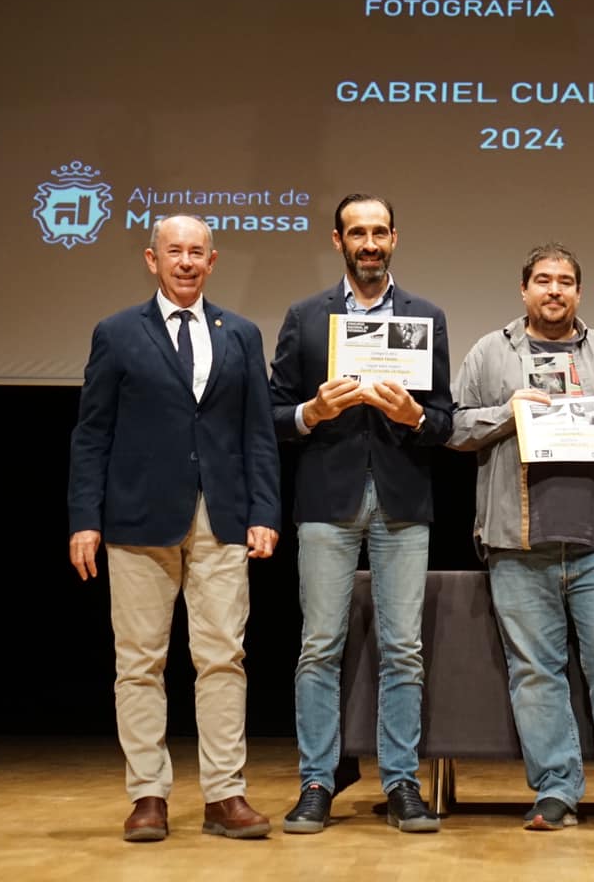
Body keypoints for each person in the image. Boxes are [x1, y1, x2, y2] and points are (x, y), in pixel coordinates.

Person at [67, 215, 281, 843]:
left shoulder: (241, 333)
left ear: (212, 262)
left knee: (223, 658)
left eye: (196, 252)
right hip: (136, 518)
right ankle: (148, 796)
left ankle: (225, 795)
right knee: (138, 662)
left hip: (222, 516)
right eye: (174, 251)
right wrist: (84, 519)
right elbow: (92, 434)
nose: (185, 262)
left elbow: (258, 434)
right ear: (151, 259)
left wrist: (264, 512)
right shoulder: (116, 333)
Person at [448, 243, 594, 834]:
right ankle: (556, 790)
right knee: (534, 672)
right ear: (524, 290)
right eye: (543, 280)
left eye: (565, 281)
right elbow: (453, 427)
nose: (554, 290)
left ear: (578, 291)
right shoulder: (490, 352)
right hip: (518, 541)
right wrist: (508, 411)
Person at [269, 194, 452, 834]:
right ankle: (317, 781)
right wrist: (312, 412)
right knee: (319, 646)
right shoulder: (305, 317)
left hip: (402, 500)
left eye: (378, 232)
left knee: (403, 649)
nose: (368, 243)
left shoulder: (426, 317)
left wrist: (416, 416)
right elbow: (273, 414)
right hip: (327, 500)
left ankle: (400, 782)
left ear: (394, 238)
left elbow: (444, 421)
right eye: (357, 233)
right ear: (338, 240)